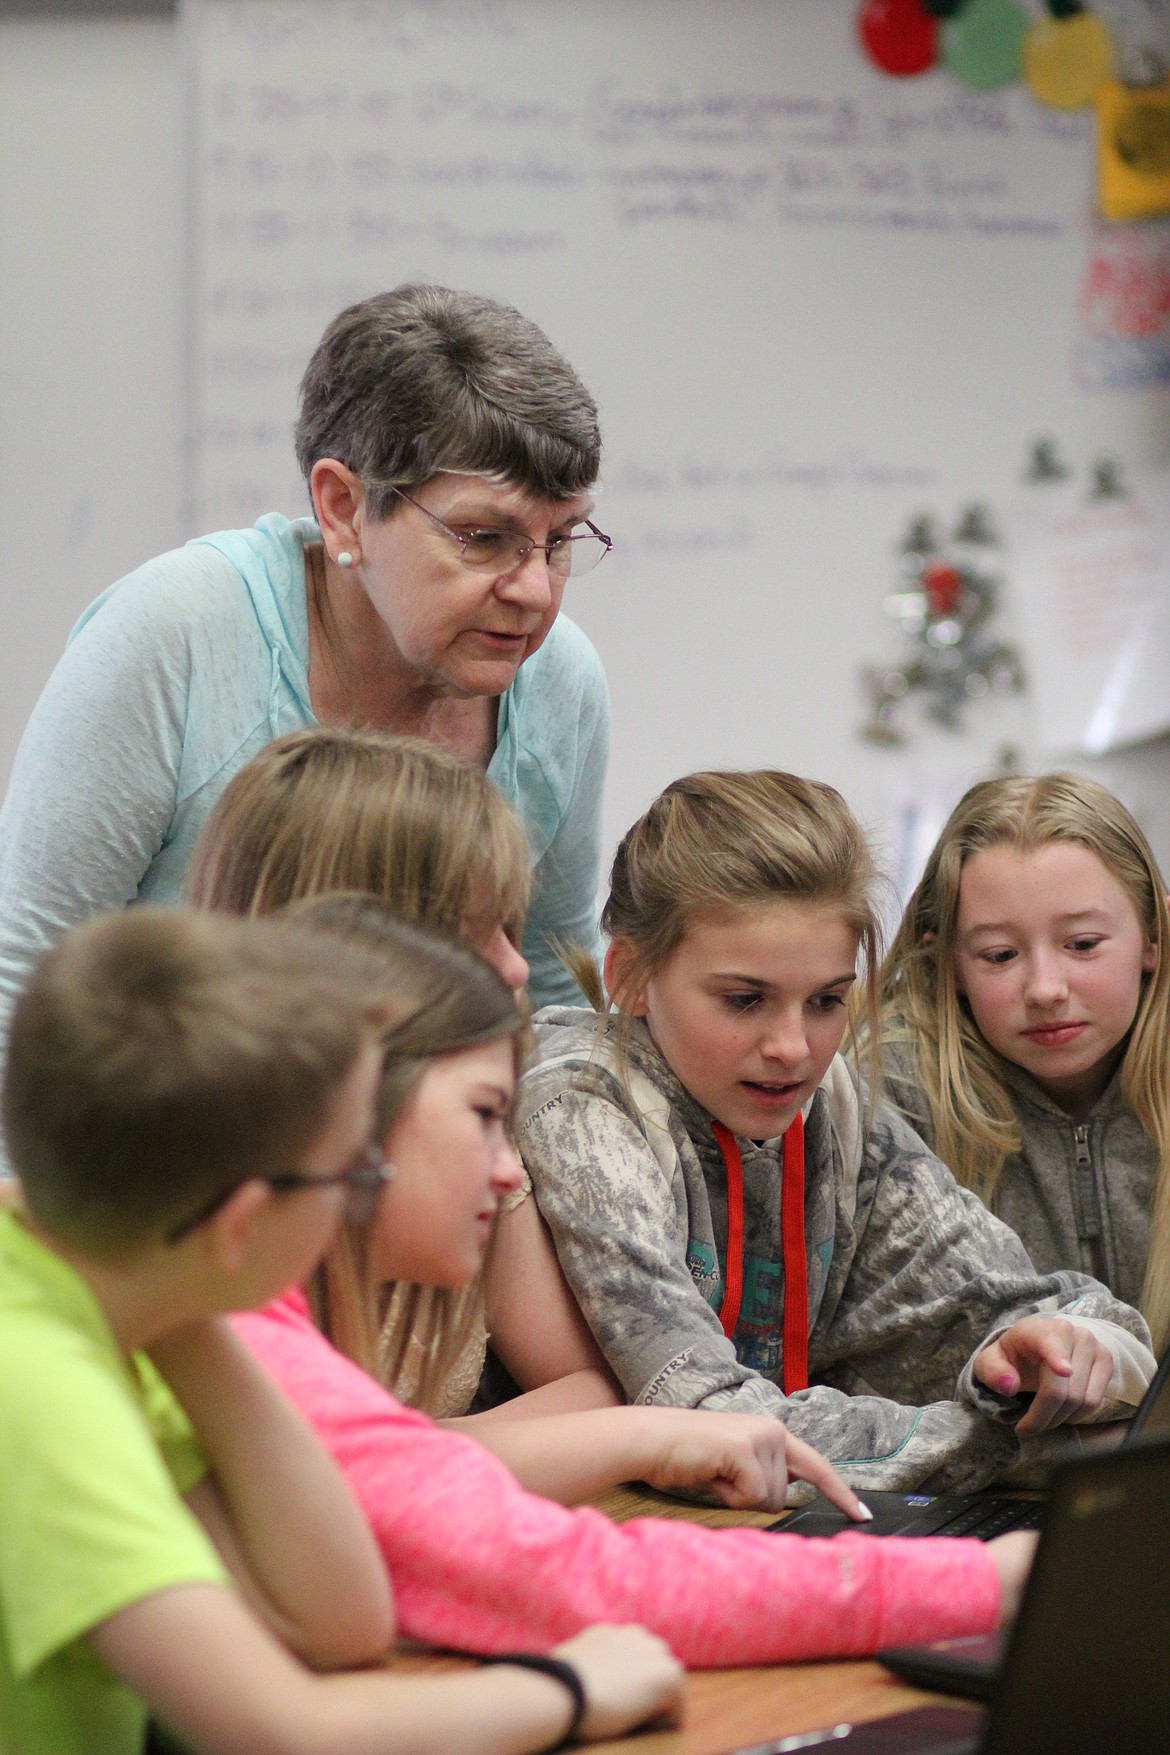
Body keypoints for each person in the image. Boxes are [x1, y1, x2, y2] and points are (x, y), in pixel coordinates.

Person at [233, 896, 1038, 1668]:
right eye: (485, 1114)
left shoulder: (251, 1308)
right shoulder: (242, 1336)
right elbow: (447, 1570)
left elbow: (387, 1476)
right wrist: (979, 1581)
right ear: (354, 1114)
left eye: (827, 1000)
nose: (514, 1168)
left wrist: (649, 1433)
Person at [0, 907, 683, 1755]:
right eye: (354, 1166)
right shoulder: (39, 1390)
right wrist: (570, 1689)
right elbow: (283, 1728)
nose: (363, 1196)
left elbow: (337, 1619)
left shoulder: (113, 1304)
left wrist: (193, 1297)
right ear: (244, 1222)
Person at [186, 726, 862, 1513]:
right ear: (344, 946)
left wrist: (411, 1462)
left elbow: (592, 1389)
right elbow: (302, 1486)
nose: (515, 966)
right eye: (474, 932)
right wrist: (422, 1461)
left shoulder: (475, 1156)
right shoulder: (226, 1213)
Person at [503, 769, 1156, 1494]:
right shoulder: (580, 1103)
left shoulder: (829, 1103)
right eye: (745, 999)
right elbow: (713, 1430)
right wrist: (1044, 1449)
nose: (793, 1045)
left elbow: (1065, 1314)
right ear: (628, 975)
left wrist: (1058, 1353)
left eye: (825, 1000)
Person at [0, 284, 611, 1047]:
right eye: (484, 537)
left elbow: (558, 994)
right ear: (343, 508)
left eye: (560, 541)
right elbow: (24, 986)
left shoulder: (560, 682)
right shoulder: (174, 636)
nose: (532, 589)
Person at [876, 772, 1170, 1355]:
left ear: (1152, 937)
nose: (1044, 988)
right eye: (1000, 955)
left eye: (1082, 944)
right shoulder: (888, 1095)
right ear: (949, 963)